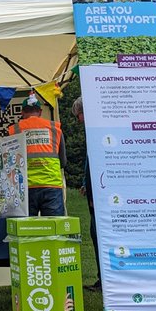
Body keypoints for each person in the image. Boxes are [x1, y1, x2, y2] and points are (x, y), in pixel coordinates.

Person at [7, 93, 67, 216]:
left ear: (22, 113)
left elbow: (9, 161)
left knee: (28, 229)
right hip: (52, 185)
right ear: (40, 112)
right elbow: (63, 161)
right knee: (54, 228)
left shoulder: (14, 130)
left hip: (25, 187)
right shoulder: (54, 128)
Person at [71, 97, 102, 291]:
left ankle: (104, 281)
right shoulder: (94, 132)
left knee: (98, 234)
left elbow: (96, 163)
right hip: (94, 191)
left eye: (79, 115)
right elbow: (89, 161)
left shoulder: (97, 131)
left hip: (99, 197)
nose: (78, 120)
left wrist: (92, 193)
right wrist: (85, 182)